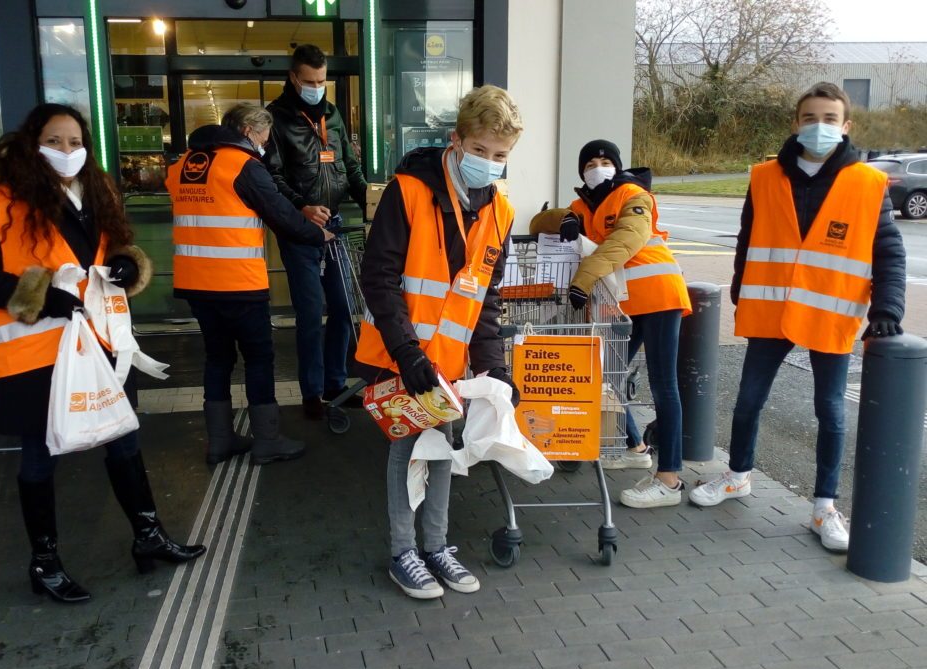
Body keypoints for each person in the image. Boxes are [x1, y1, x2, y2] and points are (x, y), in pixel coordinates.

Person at [0, 103, 204, 604]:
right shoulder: (2, 200)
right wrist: (41, 295)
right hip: (38, 352)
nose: (67, 151)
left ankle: (148, 535)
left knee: (124, 440)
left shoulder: (98, 191)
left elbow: (115, 251)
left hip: (101, 341)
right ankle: (44, 562)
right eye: (54, 141)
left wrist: (128, 268)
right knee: (41, 456)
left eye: (74, 142)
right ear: (32, 144)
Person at [689, 82, 906, 551]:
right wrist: (741, 285)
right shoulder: (764, 176)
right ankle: (738, 476)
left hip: (830, 314)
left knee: (830, 413)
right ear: (795, 123)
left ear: (846, 127)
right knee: (747, 401)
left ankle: (824, 506)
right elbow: (749, 237)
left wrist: (887, 308)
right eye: (810, 117)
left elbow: (888, 252)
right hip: (772, 310)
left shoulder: (868, 183)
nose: (819, 126)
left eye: (830, 119)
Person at [355, 85, 522, 599]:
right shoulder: (408, 192)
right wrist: (408, 357)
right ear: (456, 141)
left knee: (445, 448)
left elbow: (486, 301)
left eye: (500, 157)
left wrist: (492, 366)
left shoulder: (501, 213)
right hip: (400, 355)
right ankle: (405, 552)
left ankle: (436, 546)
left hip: (447, 362)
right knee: (408, 450)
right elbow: (379, 278)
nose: (489, 164)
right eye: (480, 151)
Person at [168, 103, 334, 466]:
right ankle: (268, 440)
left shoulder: (182, 166)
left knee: (218, 359)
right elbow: (281, 215)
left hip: (195, 283)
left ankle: (219, 442)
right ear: (246, 131)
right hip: (238, 282)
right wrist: (318, 234)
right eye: (262, 136)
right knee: (259, 359)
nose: (264, 144)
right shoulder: (243, 166)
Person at [531, 139, 692, 507]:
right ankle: (636, 447)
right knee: (606, 375)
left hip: (658, 294)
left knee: (663, 384)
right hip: (625, 305)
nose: (598, 166)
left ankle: (669, 479)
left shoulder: (632, 194)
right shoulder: (584, 205)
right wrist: (563, 219)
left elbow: (627, 239)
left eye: (605, 161)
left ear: (617, 166)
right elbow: (540, 222)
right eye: (590, 162)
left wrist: (583, 279)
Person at [265, 43, 368, 420]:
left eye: (322, 80)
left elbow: (350, 166)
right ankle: (311, 391)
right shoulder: (276, 118)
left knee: (342, 309)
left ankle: (335, 384)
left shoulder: (333, 114)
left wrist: (374, 201)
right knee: (310, 313)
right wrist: (302, 208)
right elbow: (272, 176)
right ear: (294, 77)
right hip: (299, 229)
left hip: (336, 224)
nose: (316, 87)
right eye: (309, 81)